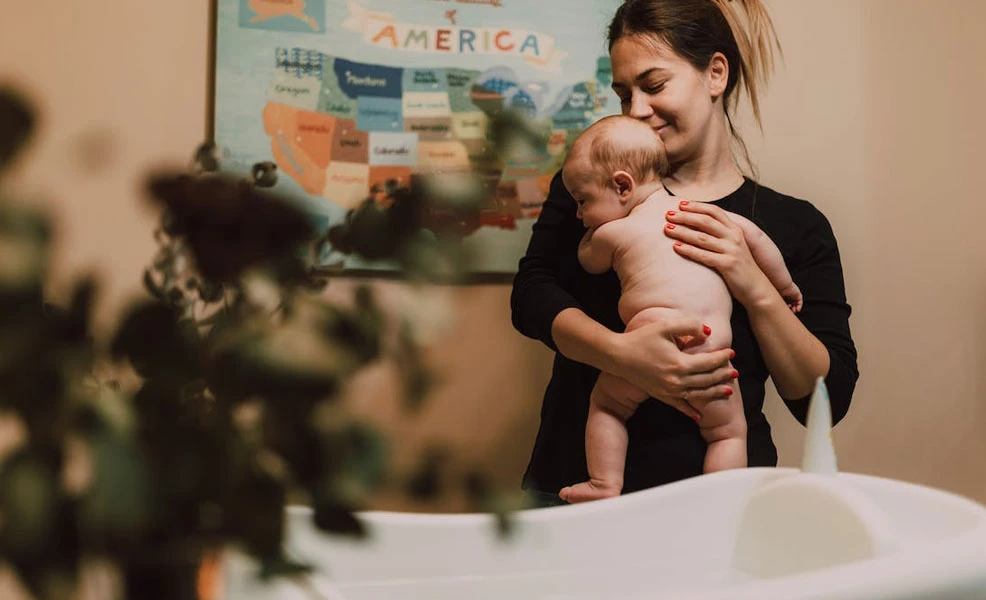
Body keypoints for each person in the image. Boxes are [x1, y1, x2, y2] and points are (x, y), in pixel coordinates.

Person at [510, 0, 858, 507]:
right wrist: (622, 356)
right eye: (623, 93)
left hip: (723, 504)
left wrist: (754, 284)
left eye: (653, 86)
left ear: (715, 73)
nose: (635, 110)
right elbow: (531, 297)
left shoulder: (795, 225)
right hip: (575, 491)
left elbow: (825, 397)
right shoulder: (599, 191)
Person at [558, 115, 802, 503]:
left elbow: (589, 261)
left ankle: (604, 484)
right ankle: (719, 500)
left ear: (623, 186)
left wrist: (590, 236)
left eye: (582, 201)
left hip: (647, 343)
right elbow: (757, 239)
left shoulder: (613, 232)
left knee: (607, 405)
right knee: (728, 433)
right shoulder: (707, 215)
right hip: (713, 351)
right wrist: (785, 287)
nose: (578, 214)